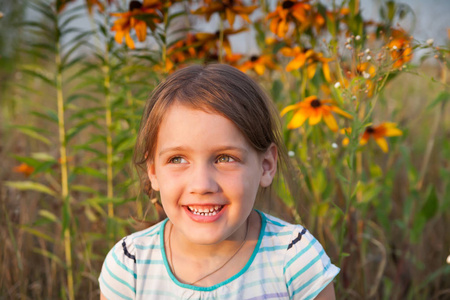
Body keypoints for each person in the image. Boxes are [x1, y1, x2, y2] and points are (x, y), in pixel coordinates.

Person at [99, 64, 339, 299]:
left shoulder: (295, 260)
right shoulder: (130, 267)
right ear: (153, 171)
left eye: (225, 158)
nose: (202, 185)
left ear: (266, 166)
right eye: (178, 159)